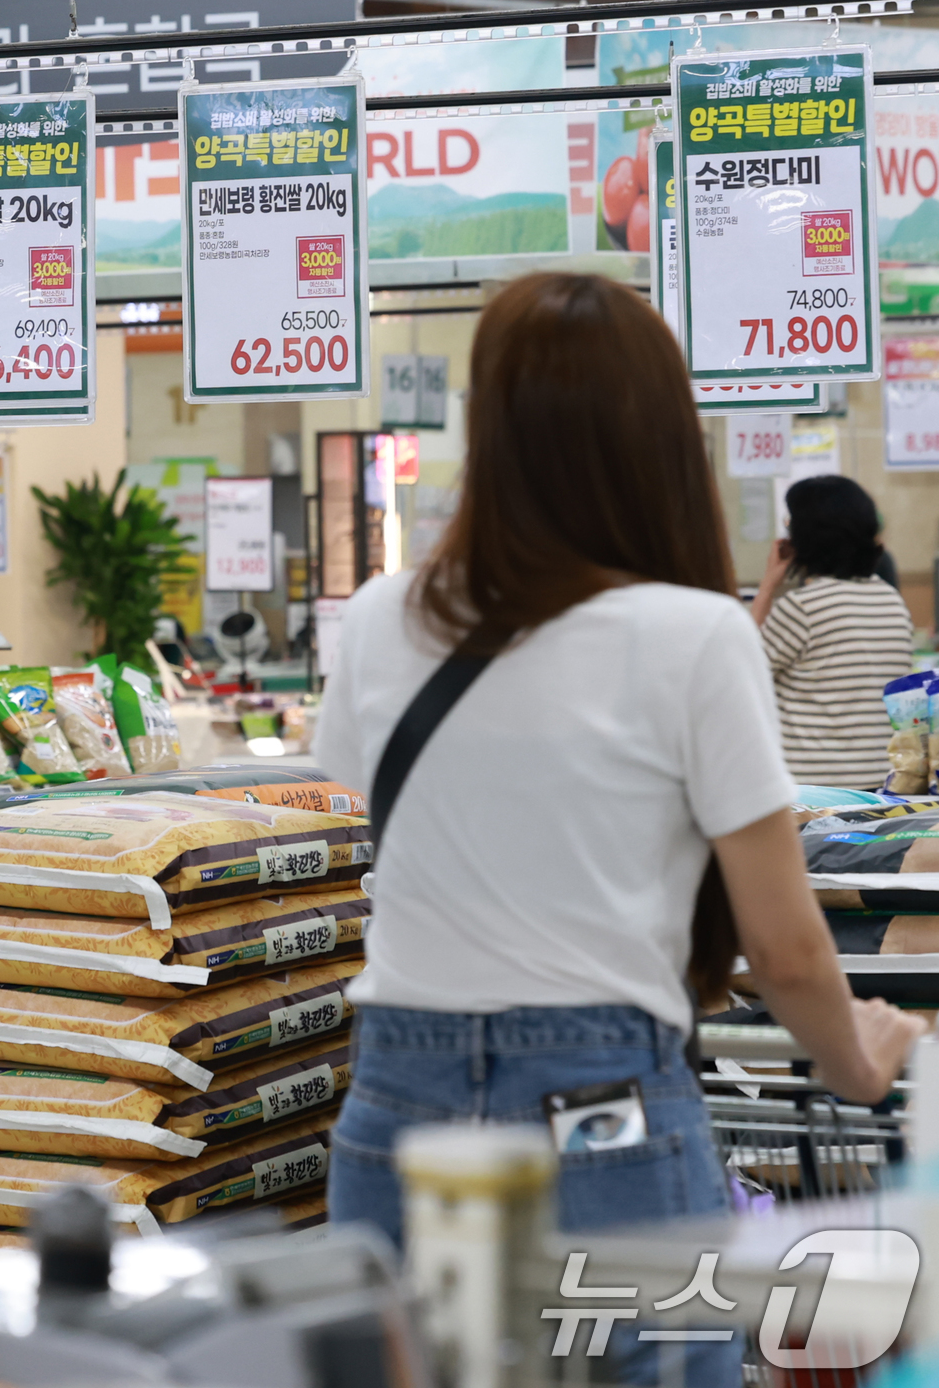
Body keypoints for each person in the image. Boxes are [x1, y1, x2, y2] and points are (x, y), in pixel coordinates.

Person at [318, 273, 920, 1383]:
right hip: (600, 1111)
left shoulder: (377, 618)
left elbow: (398, 826)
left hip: (394, 1096)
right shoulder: (692, 635)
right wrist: (856, 1060)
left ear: (488, 430)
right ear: (656, 440)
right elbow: (784, 949)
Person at [750, 476, 913, 788]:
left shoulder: (802, 607)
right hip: (882, 787)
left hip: (813, 795)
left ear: (802, 538)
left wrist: (768, 585)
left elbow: (740, 672)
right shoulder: (891, 601)